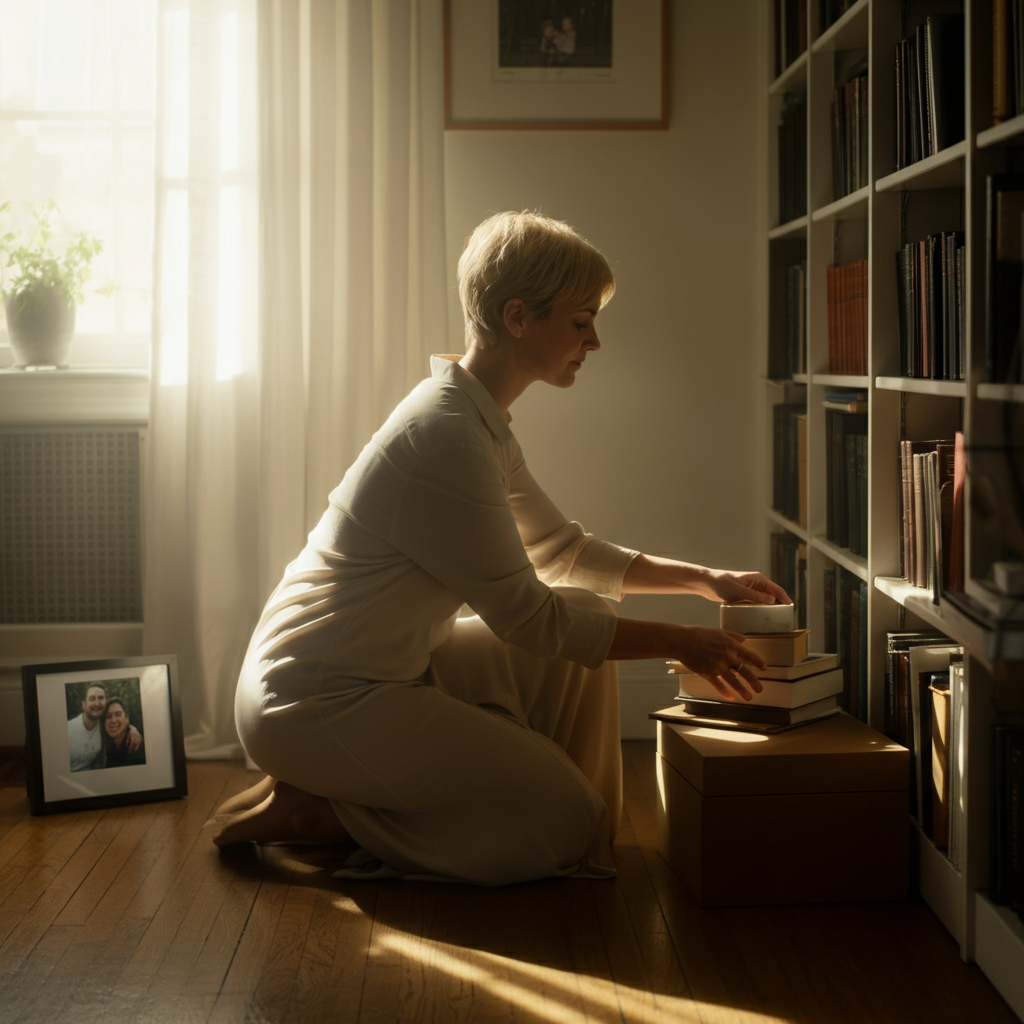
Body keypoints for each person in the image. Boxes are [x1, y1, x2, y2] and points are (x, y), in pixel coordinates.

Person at [212, 211, 790, 885]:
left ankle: (349, 796)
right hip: (316, 698)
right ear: (518, 317)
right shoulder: (448, 437)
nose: (594, 340)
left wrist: (705, 580)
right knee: (565, 823)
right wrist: (682, 642)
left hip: (371, 667)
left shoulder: (474, 419)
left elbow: (561, 551)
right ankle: (329, 811)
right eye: (580, 321)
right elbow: (527, 619)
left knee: (582, 610)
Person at [67, 684, 142, 772]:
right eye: (92, 698)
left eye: (101, 698)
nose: (97, 703)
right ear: (83, 705)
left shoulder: (104, 725)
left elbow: (118, 723)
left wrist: (132, 729)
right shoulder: (68, 730)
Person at [103, 698, 147, 767]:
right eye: (109, 716)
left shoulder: (137, 749)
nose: (113, 720)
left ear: (127, 718)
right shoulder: (108, 750)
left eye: (118, 714)